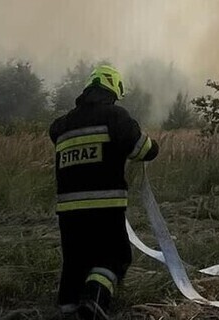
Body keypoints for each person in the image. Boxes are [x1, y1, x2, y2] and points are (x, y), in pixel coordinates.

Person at [48, 64, 159, 319]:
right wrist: (154, 146)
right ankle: (96, 301)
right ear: (113, 87)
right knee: (113, 258)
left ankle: (68, 308)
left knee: (75, 262)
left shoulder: (63, 124)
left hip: (68, 212)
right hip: (105, 208)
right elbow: (142, 150)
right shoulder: (116, 116)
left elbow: (53, 132)